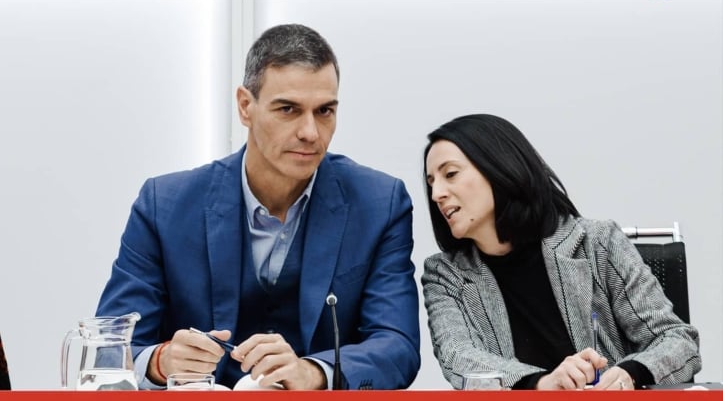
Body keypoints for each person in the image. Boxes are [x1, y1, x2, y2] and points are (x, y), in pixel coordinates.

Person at [95, 23, 420, 390]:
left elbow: (398, 346)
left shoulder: (380, 204)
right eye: (288, 109)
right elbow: (110, 347)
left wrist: (314, 372)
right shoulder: (163, 205)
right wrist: (159, 361)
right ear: (245, 106)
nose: (310, 132)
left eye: (325, 111)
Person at [421, 113, 701, 390]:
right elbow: (459, 357)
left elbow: (677, 341)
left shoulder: (597, 242)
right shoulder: (445, 275)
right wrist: (544, 384)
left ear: (499, 167)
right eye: (432, 182)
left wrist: (629, 375)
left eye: (451, 174)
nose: (437, 195)